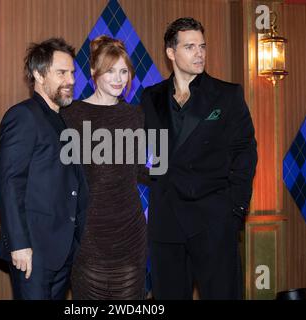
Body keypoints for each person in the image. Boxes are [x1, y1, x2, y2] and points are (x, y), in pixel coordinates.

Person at [141, 17, 257, 299]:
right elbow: (140, 150)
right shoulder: (150, 97)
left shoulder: (227, 95)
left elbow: (245, 152)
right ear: (171, 52)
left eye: (202, 46)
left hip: (214, 219)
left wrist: (236, 209)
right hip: (166, 222)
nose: (199, 53)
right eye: (190, 47)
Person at [0, 38, 89, 300]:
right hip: (32, 252)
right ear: (38, 74)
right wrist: (19, 244)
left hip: (63, 251)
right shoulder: (23, 116)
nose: (70, 79)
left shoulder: (64, 122)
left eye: (72, 72)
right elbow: (9, 183)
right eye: (61, 73)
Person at [61, 35, 147, 299]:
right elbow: (64, 176)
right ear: (93, 71)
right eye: (110, 71)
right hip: (89, 237)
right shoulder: (71, 115)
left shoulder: (135, 115)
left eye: (123, 71)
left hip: (130, 234)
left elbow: (140, 170)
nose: (118, 78)